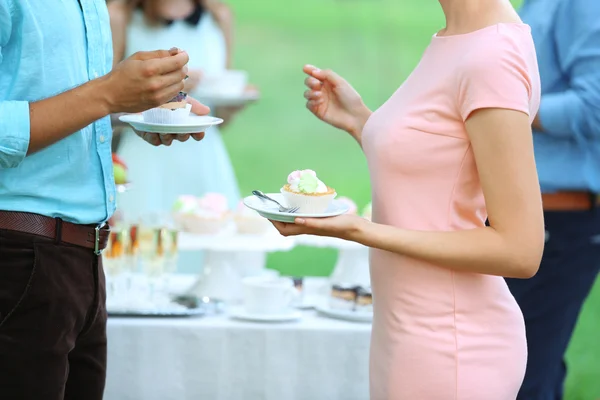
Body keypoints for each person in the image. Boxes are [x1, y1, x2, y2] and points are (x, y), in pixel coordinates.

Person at [270, 0, 545, 398]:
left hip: (452, 347)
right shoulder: (459, 35)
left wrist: (363, 230)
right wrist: (362, 122)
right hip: (408, 335)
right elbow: (439, 171)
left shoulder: (492, 55)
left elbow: (521, 249)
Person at [0, 1, 208, 399]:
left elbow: (63, 100)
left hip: (81, 261)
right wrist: (110, 94)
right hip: (17, 257)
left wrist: (136, 105)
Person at [504, 0, 600, 398]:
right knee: (522, 366)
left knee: (524, 375)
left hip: (559, 221)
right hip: (528, 216)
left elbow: (594, 105)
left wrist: (501, 109)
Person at [108, 0, 245, 216]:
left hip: (204, 157)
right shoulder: (119, 15)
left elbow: (221, 117)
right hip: (144, 157)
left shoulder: (220, 15)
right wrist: (168, 89)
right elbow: (105, 99)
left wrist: (233, 103)